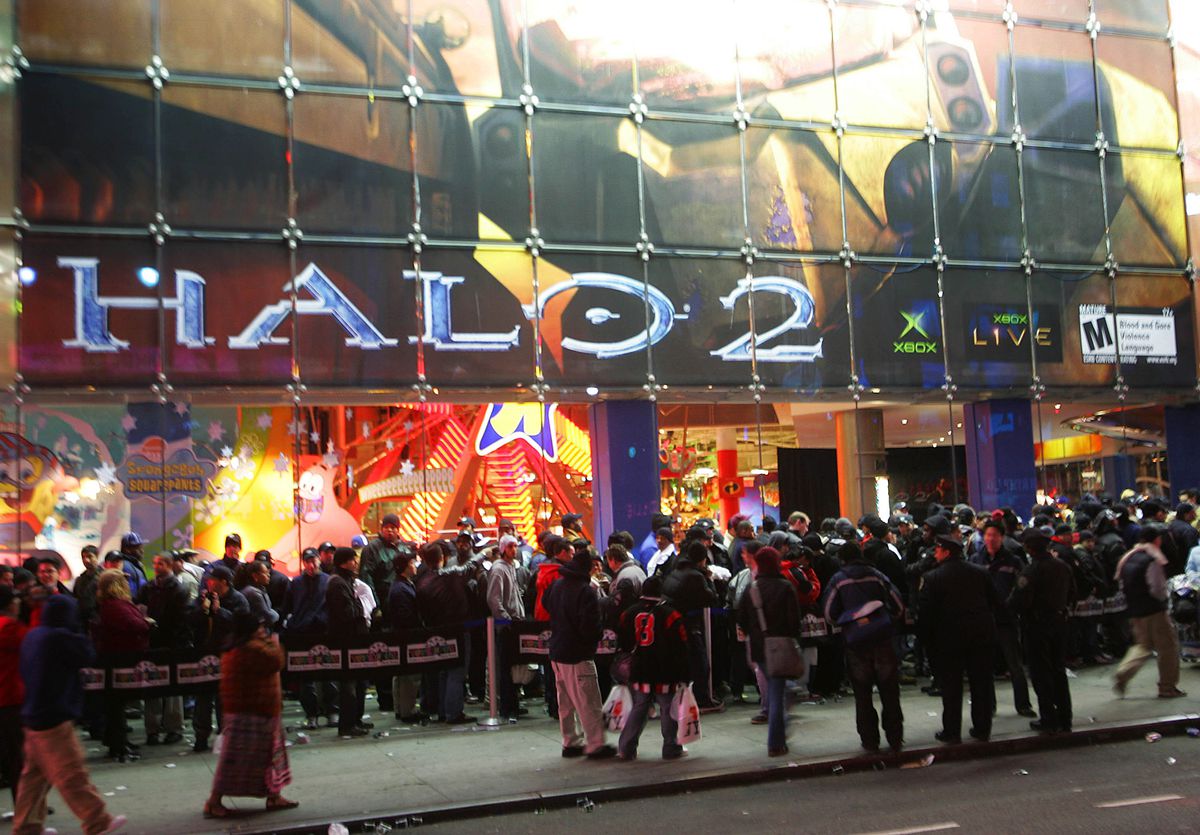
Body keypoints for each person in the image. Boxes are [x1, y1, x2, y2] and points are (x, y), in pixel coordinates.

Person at [14, 595, 127, 835]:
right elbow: (87, 654)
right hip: (54, 715)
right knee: (71, 774)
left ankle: (27, 826)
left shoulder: (34, 635)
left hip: (33, 714)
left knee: (33, 778)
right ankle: (97, 821)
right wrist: (78, 630)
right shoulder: (60, 637)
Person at [203, 611, 297, 819]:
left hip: (249, 711)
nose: (263, 630)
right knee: (237, 761)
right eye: (260, 627)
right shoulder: (253, 649)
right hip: (254, 712)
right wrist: (273, 641)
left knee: (265, 758)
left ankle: (274, 796)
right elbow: (276, 660)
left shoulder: (234, 647)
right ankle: (214, 801)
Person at [823, 540, 906, 753]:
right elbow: (898, 604)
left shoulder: (838, 580)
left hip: (856, 643)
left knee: (862, 694)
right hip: (882, 639)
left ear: (842, 558)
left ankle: (869, 740)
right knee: (889, 692)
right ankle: (895, 737)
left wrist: (849, 620)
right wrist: (887, 619)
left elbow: (830, 614)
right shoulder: (876, 576)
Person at [919, 533, 998, 744]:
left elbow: (926, 613)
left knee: (951, 687)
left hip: (949, 639)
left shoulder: (933, 578)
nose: (935, 553)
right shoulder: (980, 572)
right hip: (980, 635)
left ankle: (952, 731)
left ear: (946, 552)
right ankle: (982, 728)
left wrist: (926, 640)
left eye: (938, 549)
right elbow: (995, 601)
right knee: (981, 684)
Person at [543, 545, 615, 759]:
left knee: (565, 702)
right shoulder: (585, 591)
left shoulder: (557, 585)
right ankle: (595, 744)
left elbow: (546, 603)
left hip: (557, 650)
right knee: (588, 701)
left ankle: (570, 741)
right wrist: (594, 636)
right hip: (577, 654)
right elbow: (589, 627)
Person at [1010, 526, 1075, 735]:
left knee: (1041, 673)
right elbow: (1074, 592)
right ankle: (1065, 716)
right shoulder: (1062, 567)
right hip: (1060, 621)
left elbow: (1019, 600)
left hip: (1037, 625)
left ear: (1029, 548)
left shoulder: (1031, 571)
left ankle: (1048, 717)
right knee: (1058, 670)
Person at [615, 576, 689, 761]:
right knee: (667, 707)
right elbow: (681, 646)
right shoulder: (671, 615)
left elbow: (623, 643)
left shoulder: (628, 613)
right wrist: (684, 673)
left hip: (639, 668)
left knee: (640, 706)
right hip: (665, 670)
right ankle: (671, 747)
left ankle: (626, 748)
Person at [736, 546, 800, 757]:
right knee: (777, 692)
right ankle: (776, 742)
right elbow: (794, 621)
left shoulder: (752, 588)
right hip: (780, 644)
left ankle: (778, 737)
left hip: (759, 646)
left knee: (775, 689)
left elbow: (742, 619)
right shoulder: (785, 587)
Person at [1112, 523, 1187, 699]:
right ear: (1157, 540)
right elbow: (1158, 588)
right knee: (1167, 648)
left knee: (1142, 646)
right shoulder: (1152, 559)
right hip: (1154, 611)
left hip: (1134, 610)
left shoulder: (1128, 557)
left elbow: (1121, 584)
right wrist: (1164, 601)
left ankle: (1123, 672)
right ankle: (1167, 687)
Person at [972, 519, 1036, 718]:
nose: (990, 539)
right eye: (987, 535)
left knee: (1014, 664)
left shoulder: (1013, 561)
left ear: (1002, 537)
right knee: (985, 666)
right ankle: (988, 706)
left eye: (994, 535)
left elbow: (1022, 588)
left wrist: (1012, 607)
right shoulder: (975, 559)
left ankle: (1023, 705)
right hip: (983, 619)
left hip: (1007, 620)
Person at [190, 565, 249, 753]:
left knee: (225, 699)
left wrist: (219, 611)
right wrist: (203, 609)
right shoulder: (203, 597)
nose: (208, 582)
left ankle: (226, 736)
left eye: (212, 580)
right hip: (205, 656)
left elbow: (241, 625)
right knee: (203, 699)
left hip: (227, 655)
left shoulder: (238, 599)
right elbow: (190, 620)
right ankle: (201, 737)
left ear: (223, 582)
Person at [414, 542, 475, 725]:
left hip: (436, 631)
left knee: (443, 672)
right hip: (457, 629)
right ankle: (453, 712)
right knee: (456, 672)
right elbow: (469, 569)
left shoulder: (422, 582)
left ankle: (443, 709)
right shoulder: (451, 577)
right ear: (443, 558)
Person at [93, 570, 151, 761]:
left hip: (115, 658)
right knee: (117, 706)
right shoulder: (116, 606)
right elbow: (135, 625)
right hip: (120, 660)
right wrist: (145, 622)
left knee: (115, 705)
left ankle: (117, 741)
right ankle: (119, 745)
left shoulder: (108, 605)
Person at [137, 553, 191, 747]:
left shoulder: (179, 588)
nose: (156, 566)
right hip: (153, 644)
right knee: (152, 686)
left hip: (171, 644)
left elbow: (181, 620)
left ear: (168, 565)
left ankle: (173, 728)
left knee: (172, 689)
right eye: (155, 563)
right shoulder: (148, 587)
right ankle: (152, 729)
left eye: (160, 563)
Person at [662, 540, 721, 711]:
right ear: (703, 559)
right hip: (689, 624)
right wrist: (709, 579)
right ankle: (701, 698)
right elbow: (711, 598)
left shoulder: (676, 570)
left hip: (674, 623)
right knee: (700, 662)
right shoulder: (695, 576)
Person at [284, 549, 335, 730]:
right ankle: (311, 714)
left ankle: (331, 711)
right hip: (302, 633)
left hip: (323, 632)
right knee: (306, 677)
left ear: (319, 560)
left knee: (328, 673)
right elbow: (288, 606)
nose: (311, 565)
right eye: (308, 561)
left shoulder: (328, 580)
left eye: (313, 560)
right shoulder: (296, 583)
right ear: (304, 563)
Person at [325, 548, 370, 738]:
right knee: (348, 685)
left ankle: (354, 721)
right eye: (353, 560)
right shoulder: (337, 583)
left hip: (352, 639)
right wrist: (360, 607)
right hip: (345, 640)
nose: (356, 563)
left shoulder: (346, 580)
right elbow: (346, 612)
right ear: (344, 562)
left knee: (356, 683)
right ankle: (347, 724)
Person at [487, 534, 526, 720]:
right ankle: (507, 707)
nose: (514, 550)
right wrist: (505, 620)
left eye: (515, 546)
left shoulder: (510, 567)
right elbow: (493, 599)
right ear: (503, 549)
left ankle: (513, 704)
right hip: (507, 627)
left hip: (514, 623)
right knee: (506, 668)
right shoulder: (498, 569)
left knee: (513, 668)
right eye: (510, 546)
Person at [0, 586, 28, 809]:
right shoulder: (10, 628)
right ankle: (26, 804)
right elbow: (32, 643)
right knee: (21, 755)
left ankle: (26, 803)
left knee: (13, 755)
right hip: (11, 696)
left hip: (7, 696)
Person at [387, 554, 423, 723]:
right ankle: (408, 711)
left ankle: (400, 709)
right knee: (409, 676)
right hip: (407, 637)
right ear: (405, 567)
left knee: (401, 675)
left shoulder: (402, 585)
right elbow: (405, 617)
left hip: (402, 636)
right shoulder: (401, 589)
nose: (415, 565)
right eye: (412, 563)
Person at [358, 513, 410, 614]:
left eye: (393, 527)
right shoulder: (372, 548)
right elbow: (366, 577)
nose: (389, 530)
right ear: (382, 529)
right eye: (386, 527)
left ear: (398, 530)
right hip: (382, 600)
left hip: (402, 599)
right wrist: (375, 605)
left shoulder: (404, 547)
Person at [242, 561, 280, 633]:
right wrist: (277, 615)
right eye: (265, 572)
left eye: (268, 572)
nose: (268, 575)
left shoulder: (259, 589)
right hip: (255, 632)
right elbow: (268, 616)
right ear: (255, 576)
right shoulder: (253, 593)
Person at [116, 532, 149, 598]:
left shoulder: (135, 565)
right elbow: (131, 595)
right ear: (127, 550)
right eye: (138, 548)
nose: (142, 551)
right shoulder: (126, 566)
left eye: (142, 547)